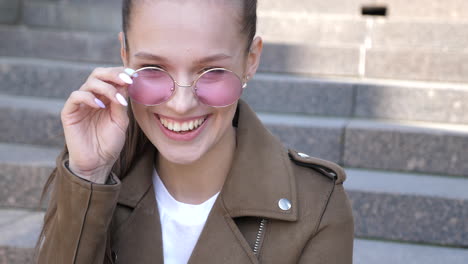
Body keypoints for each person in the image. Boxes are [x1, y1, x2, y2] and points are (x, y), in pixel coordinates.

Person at [34, 0, 354, 263]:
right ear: (124, 54)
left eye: (212, 71)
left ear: (251, 60)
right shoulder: (95, 176)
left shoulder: (318, 203)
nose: (181, 104)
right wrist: (89, 179)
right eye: (154, 69)